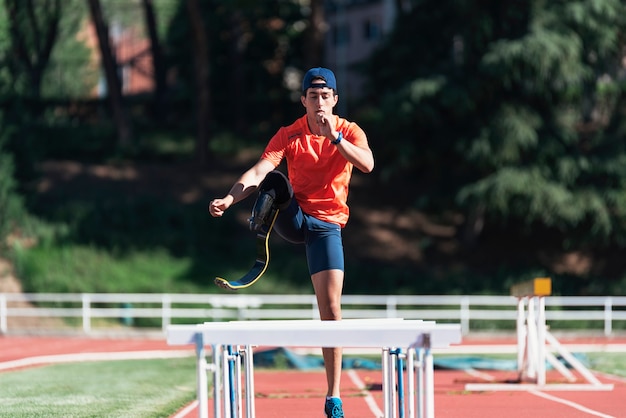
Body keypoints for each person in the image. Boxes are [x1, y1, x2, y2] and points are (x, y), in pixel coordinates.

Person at [208, 67, 374, 418]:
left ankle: (333, 396)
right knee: (275, 181)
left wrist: (336, 139)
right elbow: (256, 171)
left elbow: (368, 165)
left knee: (330, 311)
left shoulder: (349, 130)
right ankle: (260, 233)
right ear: (303, 101)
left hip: (327, 227)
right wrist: (228, 199)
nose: (319, 103)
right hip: (294, 218)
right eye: (312, 97)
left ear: (334, 99)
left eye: (325, 96)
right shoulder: (290, 134)